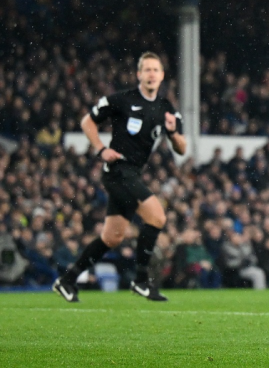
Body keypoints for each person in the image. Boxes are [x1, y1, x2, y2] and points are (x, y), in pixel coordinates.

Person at [53, 52, 186, 303]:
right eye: (146, 69)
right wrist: (101, 149)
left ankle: (67, 280)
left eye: (155, 70)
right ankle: (141, 281)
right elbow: (87, 122)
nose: (150, 74)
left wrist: (173, 133)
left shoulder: (166, 108)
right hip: (117, 171)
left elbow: (182, 148)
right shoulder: (122, 100)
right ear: (138, 75)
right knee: (157, 216)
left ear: (162, 75)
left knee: (112, 237)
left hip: (133, 173)